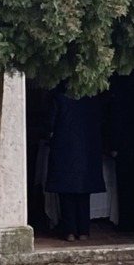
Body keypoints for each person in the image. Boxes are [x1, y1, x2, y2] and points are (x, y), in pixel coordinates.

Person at [45, 90, 106, 241]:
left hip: (64, 150)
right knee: (84, 193)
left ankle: (70, 231)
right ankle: (84, 231)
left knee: (66, 193)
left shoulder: (59, 96)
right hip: (87, 151)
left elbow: (50, 125)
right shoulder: (92, 98)